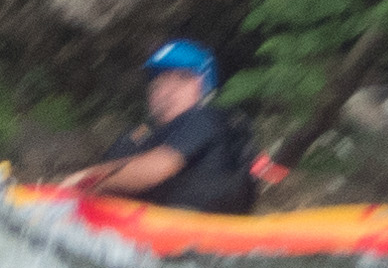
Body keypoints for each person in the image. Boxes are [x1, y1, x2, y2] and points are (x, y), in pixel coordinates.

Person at [63, 39, 256, 216]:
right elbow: (114, 167)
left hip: (199, 227)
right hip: (143, 225)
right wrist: (87, 177)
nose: (167, 90)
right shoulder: (138, 136)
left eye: (182, 79)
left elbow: (157, 167)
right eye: (160, 81)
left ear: (204, 88)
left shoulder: (208, 119)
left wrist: (83, 188)